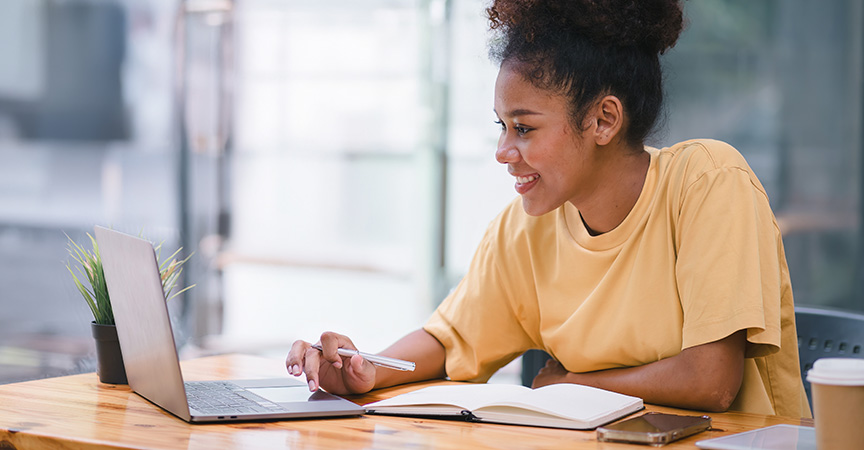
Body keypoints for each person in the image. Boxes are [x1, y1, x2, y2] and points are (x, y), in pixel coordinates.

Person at [286, 0, 811, 418]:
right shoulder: (527, 226)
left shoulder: (709, 182)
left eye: (525, 127)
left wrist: (572, 386)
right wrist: (366, 370)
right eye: (501, 125)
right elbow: (451, 342)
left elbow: (710, 380)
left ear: (604, 120)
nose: (503, 151)